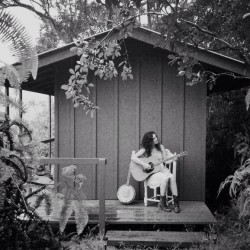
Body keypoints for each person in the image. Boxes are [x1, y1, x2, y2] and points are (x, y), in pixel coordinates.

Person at [131, 131, 180, 213]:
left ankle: (176, 204)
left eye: (156, 137)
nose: (156, 139)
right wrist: (144, 164)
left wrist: (173, 158)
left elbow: (166, 161)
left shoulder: (161, 147)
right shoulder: (145, 149)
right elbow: (133, 158)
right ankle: (162, 204)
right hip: (152, 174)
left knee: (171, 177)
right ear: (149, 141)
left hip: (162, 171)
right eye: (153, 138)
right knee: (165, 178)